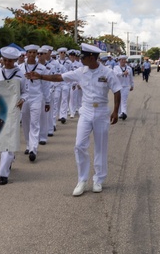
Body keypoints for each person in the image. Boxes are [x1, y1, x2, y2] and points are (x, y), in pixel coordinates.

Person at [26, 43, 121, 196]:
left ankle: (98, 179)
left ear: (92, 57)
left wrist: (116, 111)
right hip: (86, 110)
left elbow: (117, 90)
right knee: (79, 145)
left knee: (100, 147)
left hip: (102, 111)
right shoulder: (80, 71)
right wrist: (40, 76)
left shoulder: (107, 72)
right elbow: (59, 77)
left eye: (83, 57)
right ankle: (82, 180)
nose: (80, 59)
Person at [0, 47, 25, 185]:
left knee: (9, 138)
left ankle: (3, 174)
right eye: (5, 60)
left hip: (14, 109)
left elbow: (25, 91)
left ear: (15, 60)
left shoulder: (20, 74)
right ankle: (8, 160)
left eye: (10, 61)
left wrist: (23, 99)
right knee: (3, 138)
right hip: (0, 108)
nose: (7, 63)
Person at [20, 44, 49, 162]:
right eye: (29, 52)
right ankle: (28, 144)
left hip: (37, 98)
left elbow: (46, 86)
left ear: (37, 54)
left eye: (34, 52)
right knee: (26, 122)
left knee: (35, 123)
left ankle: (33, 149)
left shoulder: (42, 68)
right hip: (24, 98)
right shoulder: (20, 67)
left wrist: (47, 101)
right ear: (26, 54)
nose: (32, 54)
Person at [113, 56, 135, 120]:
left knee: (124, 100)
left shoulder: (129, 68)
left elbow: (131, 77)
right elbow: (115, 74)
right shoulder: (116, 68)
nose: (123, 61)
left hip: (125, 86)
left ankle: (124, 113)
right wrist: (123, 73)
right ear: (119, 60)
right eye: (122, 60)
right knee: (118, 100)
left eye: (124, 60)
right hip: (118, 86)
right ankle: (120, 113)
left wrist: (132, 85)